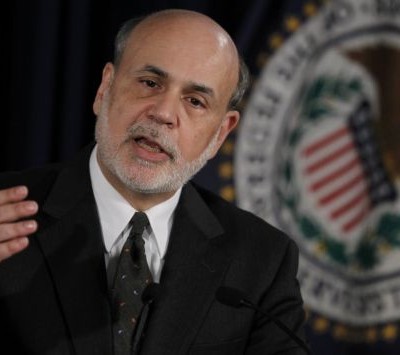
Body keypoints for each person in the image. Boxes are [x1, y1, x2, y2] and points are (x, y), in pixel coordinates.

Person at [0, 9, 308, 355]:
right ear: (105, 89)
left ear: (221, 133)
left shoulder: (261, 261)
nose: (163, 113)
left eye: (195, 101)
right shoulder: (6, 213)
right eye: (150, 83)